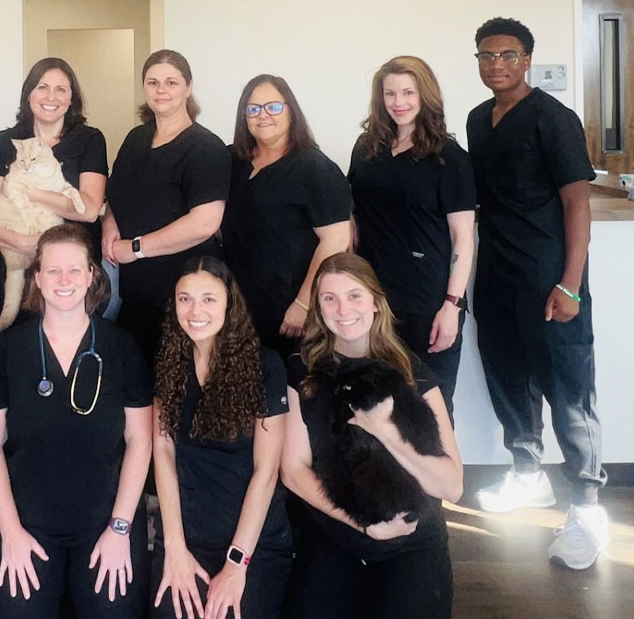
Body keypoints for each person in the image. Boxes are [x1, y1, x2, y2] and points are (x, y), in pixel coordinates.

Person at [467, 16, 607, 569]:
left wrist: (570, 284)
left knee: (568, 391)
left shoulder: (554, 119)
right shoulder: (480, 120)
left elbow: (578, 202)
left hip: (550, 276)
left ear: (527, 59)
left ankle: (588, 507)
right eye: (485, 55)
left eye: (506, 55)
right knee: (507, 376)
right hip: (497, 275)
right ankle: (528, 475)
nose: (495, 64)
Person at [280, 252, 462, 619]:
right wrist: (363, 525)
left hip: (412, 542)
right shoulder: (300, 372)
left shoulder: (415, 373)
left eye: (354, 296)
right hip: (334, 535)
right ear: (318, 309)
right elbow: (293, 470)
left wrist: (384, 430)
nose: (344, 310)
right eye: (329, 299)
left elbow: (451, 485)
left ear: (376, 302)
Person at [0, 224, 152, 619]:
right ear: (36, 277)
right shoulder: (10, 349)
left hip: (104, 521)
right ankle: (60, 591)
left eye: (74, 270)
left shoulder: (122, 346)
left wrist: (120, 527)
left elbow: (139, 441)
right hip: (30, 522)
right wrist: (10, 530)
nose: (64, 281)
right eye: (53, 271)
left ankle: (74, 591)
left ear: (93, 275)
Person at [150, 257, 292, 619]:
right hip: (187, 538)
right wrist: (174, 549)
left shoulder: (265, 366)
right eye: (185, 299)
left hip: (253, 544)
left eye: (209, 299)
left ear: (230, 304)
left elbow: (267, 473)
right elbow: (164, 453)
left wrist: (236, 565)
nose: (196, 311)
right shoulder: (168, 363)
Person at [349, 56, 476, 416]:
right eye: (390, 93)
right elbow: (353, 218)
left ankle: (441, 475)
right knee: (373, 407)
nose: (398, 102)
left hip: (428, 300)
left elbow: (462, 238)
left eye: (408, 92)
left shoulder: (449, 158)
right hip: (372, 300)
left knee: (428, 409)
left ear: (426, 95)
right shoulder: (366, 148)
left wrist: (452, 306)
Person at [104, 49, 230, 366]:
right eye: (153, 82)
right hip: (135, 296)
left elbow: (205, 223)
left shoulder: (206, 148)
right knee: (136, 392)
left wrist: (136, 248)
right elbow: (114, 192)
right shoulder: (136, 138)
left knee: (177, 391)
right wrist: (110, 224)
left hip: (186, 302)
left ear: (188, 87)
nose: (161, 90)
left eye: (171, 82)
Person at [221, 74, 351, 357]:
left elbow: (336, 240)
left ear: (291, 111)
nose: (262, 115)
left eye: (273, 107)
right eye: (253, 109)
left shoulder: (315, 168)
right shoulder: (234, 161)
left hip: (289, 312)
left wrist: (303, 304)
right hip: (239, 308)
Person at [0, 57, 107, 322]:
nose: (51, 97)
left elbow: (89, 210)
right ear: (29, 94)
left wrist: (28, 192)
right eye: (42, 87)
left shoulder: (90, 140)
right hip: (19, 268)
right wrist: (21, 242)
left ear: (72, 99)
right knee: (21, 351)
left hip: (75, 273)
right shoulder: (4, 142)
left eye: (61, 89)